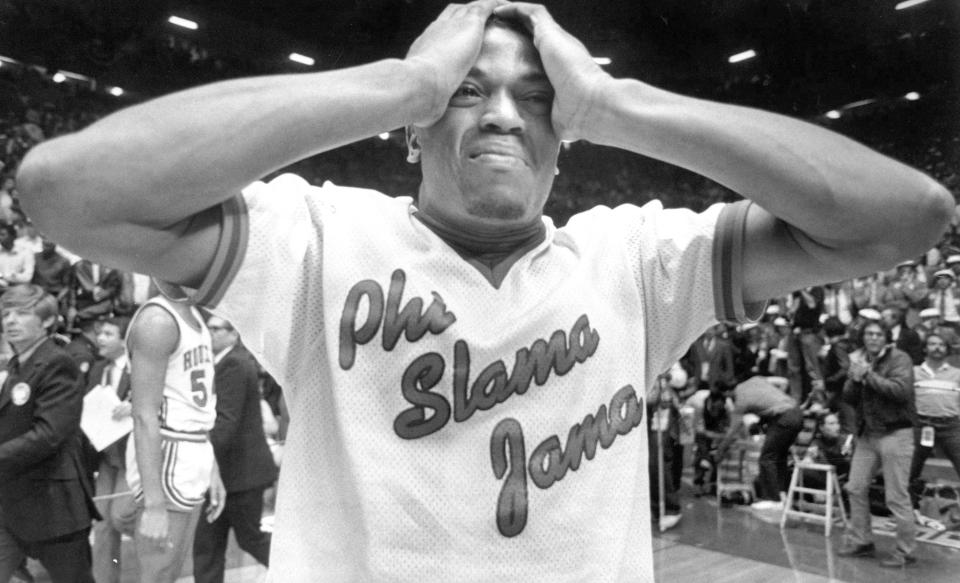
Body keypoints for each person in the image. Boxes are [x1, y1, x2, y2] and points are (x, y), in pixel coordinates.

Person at [14, 2, 953, 580]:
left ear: (564, 134)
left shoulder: (638, 260)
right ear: (414, 128)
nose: (505, 111)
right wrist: (402, 78)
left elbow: (903, 216)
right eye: (468, 90)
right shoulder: (319, 239)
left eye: (538, 97)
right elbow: (64, 190)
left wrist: (619, 104)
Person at [0, 284, 99, 582]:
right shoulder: (17, 364)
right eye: (6, 313)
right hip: (13, 502)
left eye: (21, 313)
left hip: (54, 508)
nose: (10, 320)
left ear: (45, 321)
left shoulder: (57, 363)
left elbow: (49, 434)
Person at [125, 295, 224, 582]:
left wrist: (212, 468)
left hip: (194, 445)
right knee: (159, 572)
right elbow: (144, 415)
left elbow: (199, 407)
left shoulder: (193, 312)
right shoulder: (158, 320)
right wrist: (155, 504)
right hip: (168, 449)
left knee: (173, 568)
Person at [193, 316, 277, 583]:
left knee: (249, 539)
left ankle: (300, 570)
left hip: (240, 474)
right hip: (229, 473)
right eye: (209, 327)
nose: (210, 332)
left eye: (216, 328)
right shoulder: (226, 363)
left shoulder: (234, 364)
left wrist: (201, 450)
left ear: (234, 333)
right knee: (209, 544)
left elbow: (226, 422)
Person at [840, 320, 917, 568]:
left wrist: (867, 375)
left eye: (877, 334)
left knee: (896, 496)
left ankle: (905, 551)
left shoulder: (899, 359)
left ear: (886, 337)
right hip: (868, 435)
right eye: (868, 334)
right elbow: (849, 397)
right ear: (863, 337)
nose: (872, 338)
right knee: (854, 486)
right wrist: (853, 378)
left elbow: (900, 391)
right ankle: (862, 541)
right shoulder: (860, 359)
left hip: (896, 433)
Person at [86, 316, 136, 583]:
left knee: (120, 516)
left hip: (132, 455)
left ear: (124, 339)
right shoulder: (97, 370)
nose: (101, 338)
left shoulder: (140, 367)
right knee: (102, 523)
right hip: (106, 455)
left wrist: (135, 406)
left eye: (108, 333)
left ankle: (159, 555)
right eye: (99, 333)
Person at [715, 375, 803, 510]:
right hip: (797, 413)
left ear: (726, 393)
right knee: (779, 457)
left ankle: (773, 499)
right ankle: (782, 494)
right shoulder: (755, 379)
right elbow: (781, 383)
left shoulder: (740, 401)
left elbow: (732, 431)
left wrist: (720, 450)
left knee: (767, 458)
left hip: (784, 418)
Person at [908, 332, 960, 527]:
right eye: (932, 344)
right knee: (911, 470)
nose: (937, 347)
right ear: (925, 348)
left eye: (941, 344)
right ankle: (910, 512)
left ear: (947, 349)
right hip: (921, 424)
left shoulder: (957, 374)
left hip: (951, 425)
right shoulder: (913, 372)